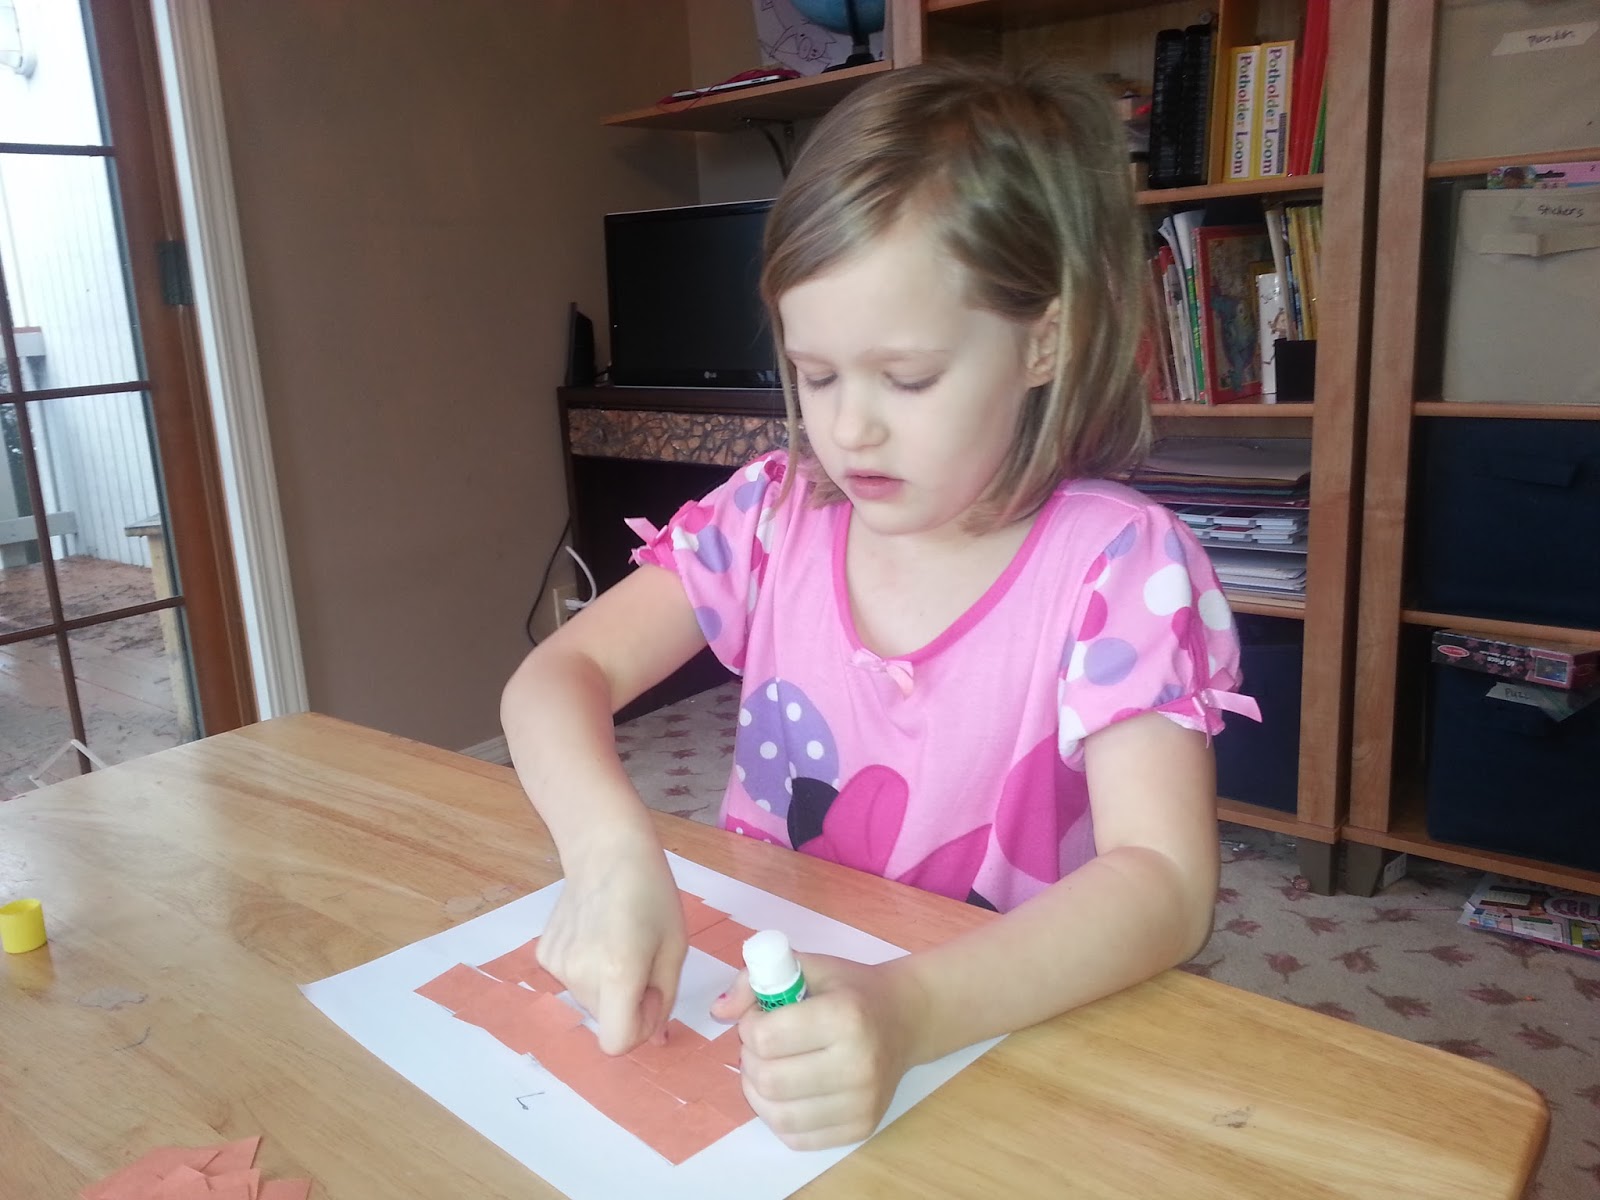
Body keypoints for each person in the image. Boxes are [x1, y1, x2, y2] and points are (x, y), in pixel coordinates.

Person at [501, 58, 1258, 1151]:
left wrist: (910, 1009)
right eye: (815, 375)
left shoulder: (1122, 564)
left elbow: (1166, 884)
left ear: (1042, 339)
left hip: (1000, 1025)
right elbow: (557, 676)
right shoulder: (773, 511)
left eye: (906, 378)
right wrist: (610, 851)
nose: (849, 429)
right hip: (781, 1012)